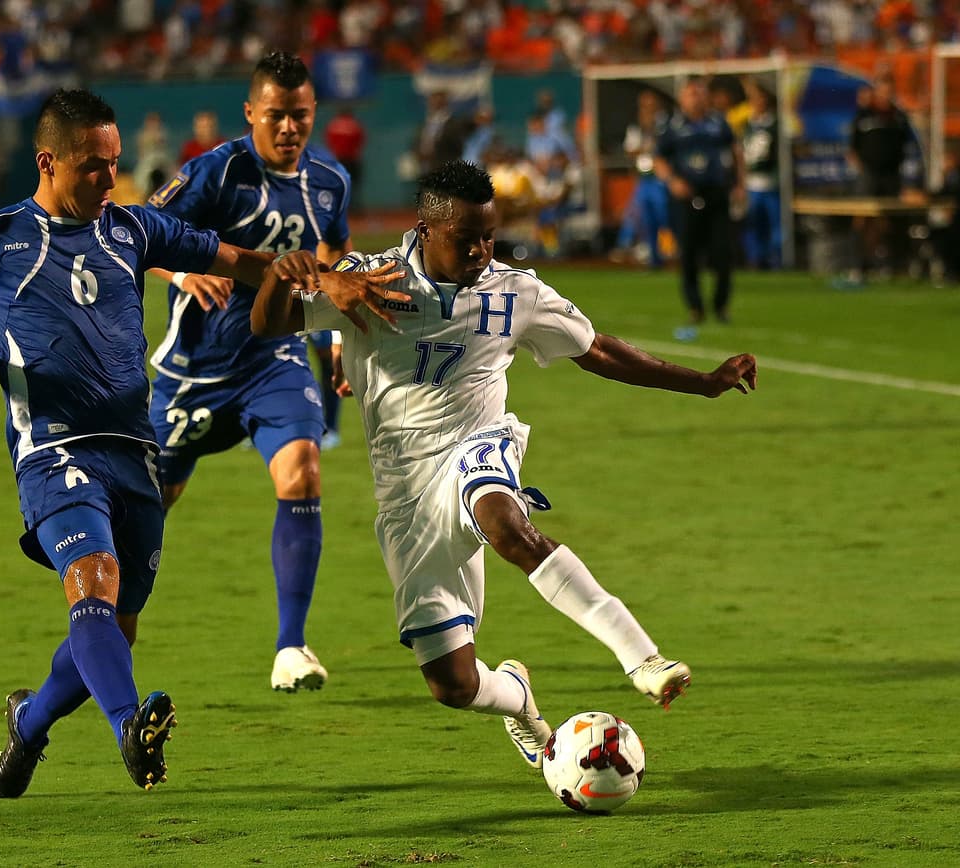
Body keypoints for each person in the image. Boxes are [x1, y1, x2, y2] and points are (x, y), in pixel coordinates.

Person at [0, 88, 397, 798]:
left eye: (114, 165)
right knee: (94, 583)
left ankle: (30, 721)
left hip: (132, 452)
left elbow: (243, 261)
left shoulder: (133, 230)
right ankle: (128, 725)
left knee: (116, 626)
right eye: (92, 167)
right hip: (50, 452)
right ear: (47, 161)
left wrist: (319, 278)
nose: (108, 181)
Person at [250, 160, 757, 772]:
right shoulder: (368, 278)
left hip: (478, 444)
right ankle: (518, 698)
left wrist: (703, 384)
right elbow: (267, 322)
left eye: (489, 235)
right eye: (467, 238)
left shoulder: (513, 290)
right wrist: (283, 274)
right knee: (453, 685)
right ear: (427, 230)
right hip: (406, 492)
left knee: (507, 524)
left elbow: (595, 349)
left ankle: (641, 656)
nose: (482, 249)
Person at [145, 52, 353, 692]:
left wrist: (335, 331)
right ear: (250, 113)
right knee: (152, 503)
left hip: (275, 358)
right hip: (196, 369)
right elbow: (136, 235)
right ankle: (103, 620)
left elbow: (333, 251)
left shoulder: (330, 181)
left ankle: (291, 647)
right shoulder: (215, 172)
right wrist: (184, 270)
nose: (289, 127)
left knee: (303, 469)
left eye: (300, 115)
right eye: (276, 116)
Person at [655, 77, 744, 330]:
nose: (697, 99)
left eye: (700, 94)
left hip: (717, 193)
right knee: (689, 254)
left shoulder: (718, 123)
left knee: (722, 252)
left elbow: (736, 151)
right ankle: (695, 307)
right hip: (686, 195)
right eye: (691, 94)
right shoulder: (673, 127)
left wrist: (740, 183)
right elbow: (659, 159)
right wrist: (673, 181)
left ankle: (722, 305)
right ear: (682, 99)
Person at [847, 76, 918, 279]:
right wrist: (863, 170)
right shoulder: (863, 116)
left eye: (889, 93)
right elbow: (852, 149)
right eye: (882, 92)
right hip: (869, 175)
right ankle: (858, 265)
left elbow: (904, 145)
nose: (886, 97)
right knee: (862, 219)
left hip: (891, 176)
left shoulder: (898, 117)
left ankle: (892, 264)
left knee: (891, 220)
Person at [611, 89, 669, 267]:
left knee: (664, 215)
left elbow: (666, 148)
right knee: (641, 215)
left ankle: (672, 250)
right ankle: (650, 256)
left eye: (650, 104)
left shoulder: (664, 125)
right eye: (644, 105)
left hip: (660, 178)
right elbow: (630, 150)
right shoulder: (636, 127)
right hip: (644, 177)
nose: (647, 108)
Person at [741, 86, 782, 270]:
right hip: (752, 183)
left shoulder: (775, 125)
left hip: (771, 182)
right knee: (753, 224)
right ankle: (756, 259)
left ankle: (777, 260)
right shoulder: (747, 124)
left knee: (775, 225)